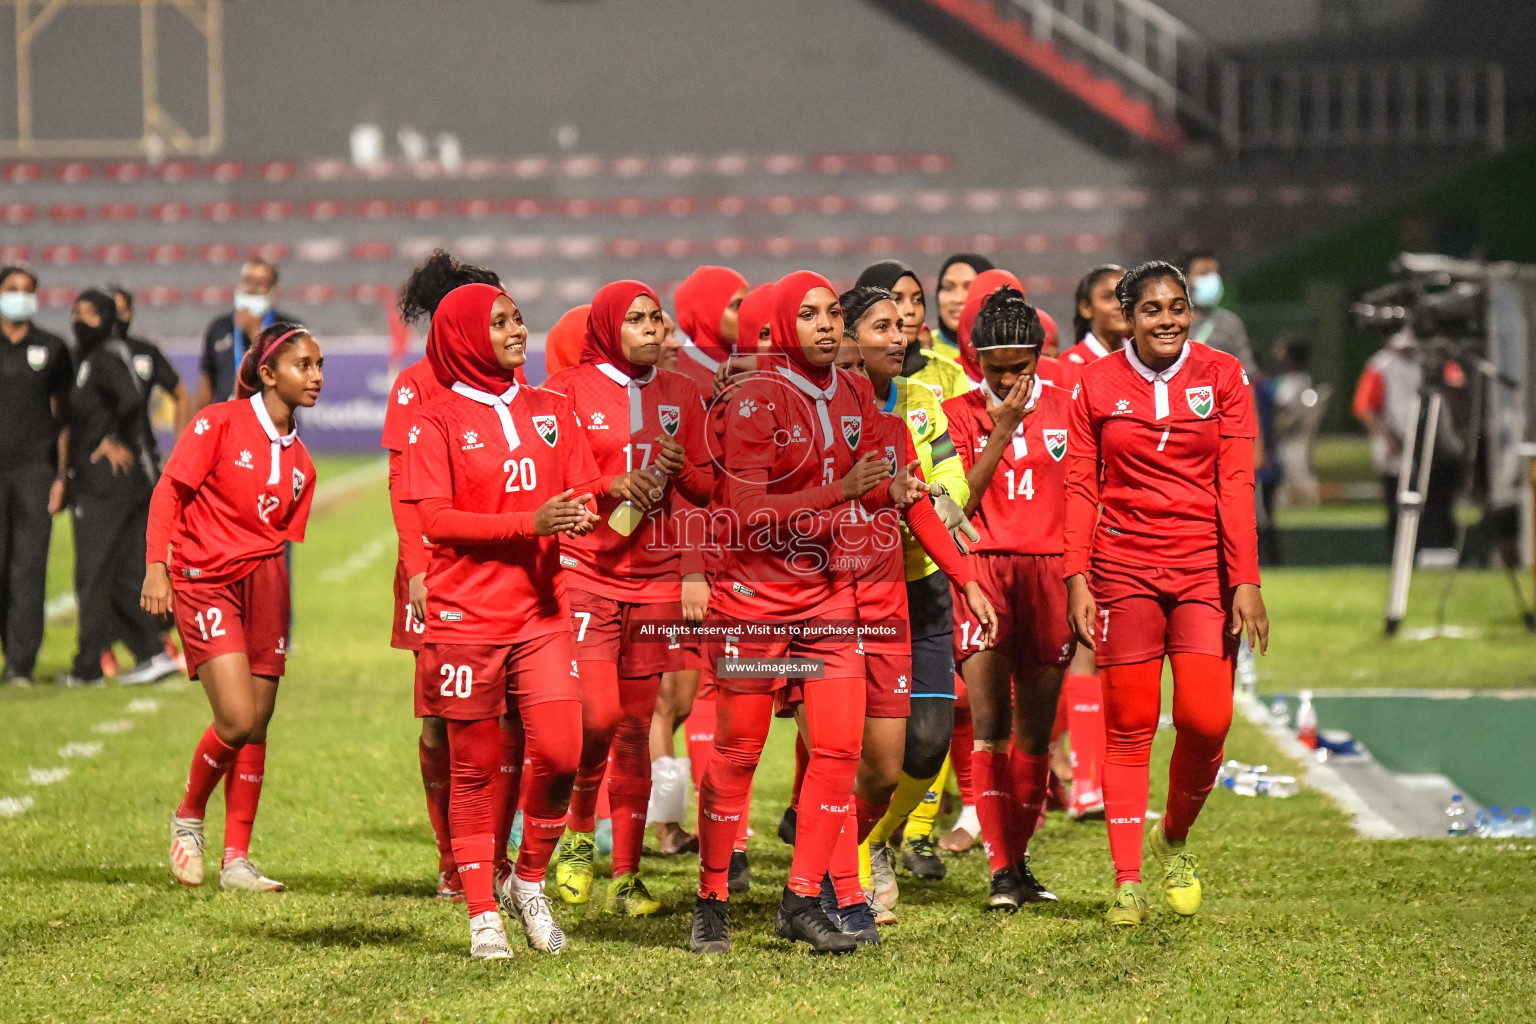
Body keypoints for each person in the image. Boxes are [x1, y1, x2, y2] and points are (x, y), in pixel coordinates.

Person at [688, 271, 922, 956]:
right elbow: (741, 514)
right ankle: (711, 898)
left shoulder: (852, 391)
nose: (826, 326)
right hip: (753, 604)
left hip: (826, 600)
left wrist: (887, 494)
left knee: (839, 750)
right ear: (785, 327)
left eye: (831, 315)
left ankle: (800, 897)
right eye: (810, 315)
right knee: (738, 752)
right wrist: (839, 491)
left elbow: (858, 495)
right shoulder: (755, 399)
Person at [1064, 260, 1269, 928]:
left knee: (1208, 722)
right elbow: (1079, 487)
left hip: (1203, 572)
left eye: (1177, 307)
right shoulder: (1093, 383)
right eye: (1152, 309)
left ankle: (1173, 838)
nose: (1168, 320)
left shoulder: (1222, 376)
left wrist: (1246, 581)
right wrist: (1076, 577)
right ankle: (1127, 881)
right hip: (1122, 567)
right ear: (1127, 315)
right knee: (1129, 726)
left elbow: (1237, 484)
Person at [402, 281, 598, 959]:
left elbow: (577, 487)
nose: (518, 330)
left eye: (517, 319)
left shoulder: (552, 406)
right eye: (500, 322)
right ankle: (483, 910)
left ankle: (530, 882)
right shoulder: (436, 420)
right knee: (476, 769)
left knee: (562, 751)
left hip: (542, 610)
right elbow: (435, 520)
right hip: (466, 617)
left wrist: (588, 506)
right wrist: (531, 520)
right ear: (462, 336)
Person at [543, 280, 713, 916]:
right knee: (598, 717)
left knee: (639, 727)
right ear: (609, 326)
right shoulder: (567, 393)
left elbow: (706, 491)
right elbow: (556, 473)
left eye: (657, 320)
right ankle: (579, 833)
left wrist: (682, 469)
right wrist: (609, 482)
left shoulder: (682, 396)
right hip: (588, 571)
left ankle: (625, 875)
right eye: (637, 319)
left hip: (655, 578)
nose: (652, 329)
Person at [147, 321, 322, 894]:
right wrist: (158, 565)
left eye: (319, 365)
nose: (317, 376)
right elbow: (170, 490)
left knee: (260, 719)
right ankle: (189, 816)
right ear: (268, 373)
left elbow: (276, 537)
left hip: (266, 584)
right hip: (205, 581)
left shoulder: (304, 464)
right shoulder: (216, 423)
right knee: (237, 718)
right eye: (304, 366)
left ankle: (237, 860)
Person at [942, 287, 1074, 909]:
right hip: (984, 574)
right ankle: (1001, 873)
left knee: (1036, 734)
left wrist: (1083, 581)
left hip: (1051, 574)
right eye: (996, 370)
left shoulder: (1071, 408)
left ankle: (1018, 865)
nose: (1009, 380)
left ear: (1040, 358)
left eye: (1021, 369)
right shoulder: (953, 414)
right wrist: (1000, 430)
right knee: (990, 726)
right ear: (975, 361)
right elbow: (955, 507)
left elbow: (1084, 500)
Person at [384, 251, 505, 901]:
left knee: (506, 715)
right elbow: (405, 486)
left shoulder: (507, 382)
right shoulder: (417, 383)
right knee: (440, 718)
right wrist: (418, 571)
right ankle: (452, 861)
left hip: (504, 568)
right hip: (436, 572)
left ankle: (495, 855)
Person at [59, 290, 177, 688]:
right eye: (75, 312)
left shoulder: (106, 358)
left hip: (106, 486)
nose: (78, 319)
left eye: (87, 314)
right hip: (114, 485)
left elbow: (132, 401)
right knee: (125, 574)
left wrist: (111, 439)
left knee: (93, 573)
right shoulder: (89, 359)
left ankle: (88, 667)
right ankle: (152, 652)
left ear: (106, 320)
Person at [0, 265, 71, 686]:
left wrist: (62, 476)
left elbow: (64, 418)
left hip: (35, 471)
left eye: (28, 290)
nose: (21, 297)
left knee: (29, 567)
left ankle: (20, 665)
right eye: (12, 289)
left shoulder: (53, 347)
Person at [1352, 328, 1460, 553]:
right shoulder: (1380, 366)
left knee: (1435, 504)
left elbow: (1456, 381)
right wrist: (1388, 438)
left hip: (1431, 445)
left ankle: (1435, 548)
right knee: (1398, 505)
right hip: (1397, 447)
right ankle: (1401, 553)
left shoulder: (1428, 361)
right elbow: (1364, 408)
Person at [855, 260, 970, 401]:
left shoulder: (949, 374)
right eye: (896, 299)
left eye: (917, 300)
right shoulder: (845, 373)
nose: (911, 310)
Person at [195, 260, 294, 409]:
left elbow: (291, 380)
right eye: (248, 280)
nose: (253, 288)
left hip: (271, 420)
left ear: (273, 289)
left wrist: (254, 332)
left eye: (261, 282)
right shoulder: (219, 327)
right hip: (228, 420)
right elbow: (207, 383)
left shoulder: (288, 329)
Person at [111, 284, 192, 445]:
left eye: (120, 312)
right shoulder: (85, 353)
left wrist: (181, 447)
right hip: (97, 449)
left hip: (141, 447)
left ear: (130, 314)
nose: (115, 318)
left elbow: (181, 394)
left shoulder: (145, 352)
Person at [672, 265, 748, 396]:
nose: (747, 313)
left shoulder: (752, 362)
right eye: (737, 306)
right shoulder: (675, 379)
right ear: (706, 313)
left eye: (748, 304)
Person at [1184, 252, 1261, 379]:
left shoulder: (1230, 323)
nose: (1212, 280)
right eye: (1204, 274)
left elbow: (1248, 374)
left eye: (1215, 273)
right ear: (1185, 280)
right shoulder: (1172, 323)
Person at [1054, 264, 1128, 394]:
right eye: (1109, 297)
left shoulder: (1147, 360)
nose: (1120, 305)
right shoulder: (1067, 369)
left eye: (1125, 296)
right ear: (1086, 308)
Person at [931, 253, 995, 364]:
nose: (957, 299)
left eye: (969, 287)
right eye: (948, 288)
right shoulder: (920, 351)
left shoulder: (1009, 352)